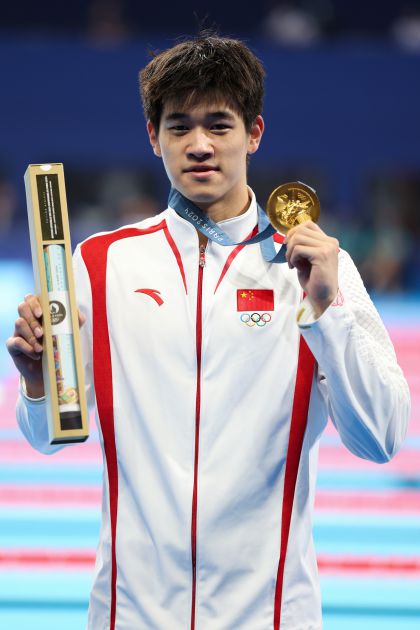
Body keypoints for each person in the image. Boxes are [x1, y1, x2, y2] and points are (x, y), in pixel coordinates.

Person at [6, 34, 410, 630]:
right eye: (179, 127)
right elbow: (48, 437)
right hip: (130, 614)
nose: (199, 145)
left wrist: (326, 312)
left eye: (219, 125)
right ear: (153, 137)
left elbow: (382, 437)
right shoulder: (100, 264)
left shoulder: (318, 267)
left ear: (254, 132)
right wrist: (40, 384)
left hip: (271, 615)